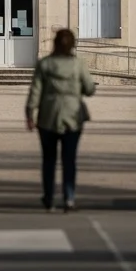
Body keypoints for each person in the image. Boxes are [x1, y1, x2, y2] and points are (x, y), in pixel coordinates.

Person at [25, 28, 96, 212]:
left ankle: (49, 198)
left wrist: (29, 113)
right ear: (73, 44)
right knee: (69, 159)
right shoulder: (78, 64)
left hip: (48, 115)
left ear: (55, 43)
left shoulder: (45, 64)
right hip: (72, 115)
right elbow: (89, 89)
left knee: (48, 159)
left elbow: (35, 91)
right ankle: (69, 197)